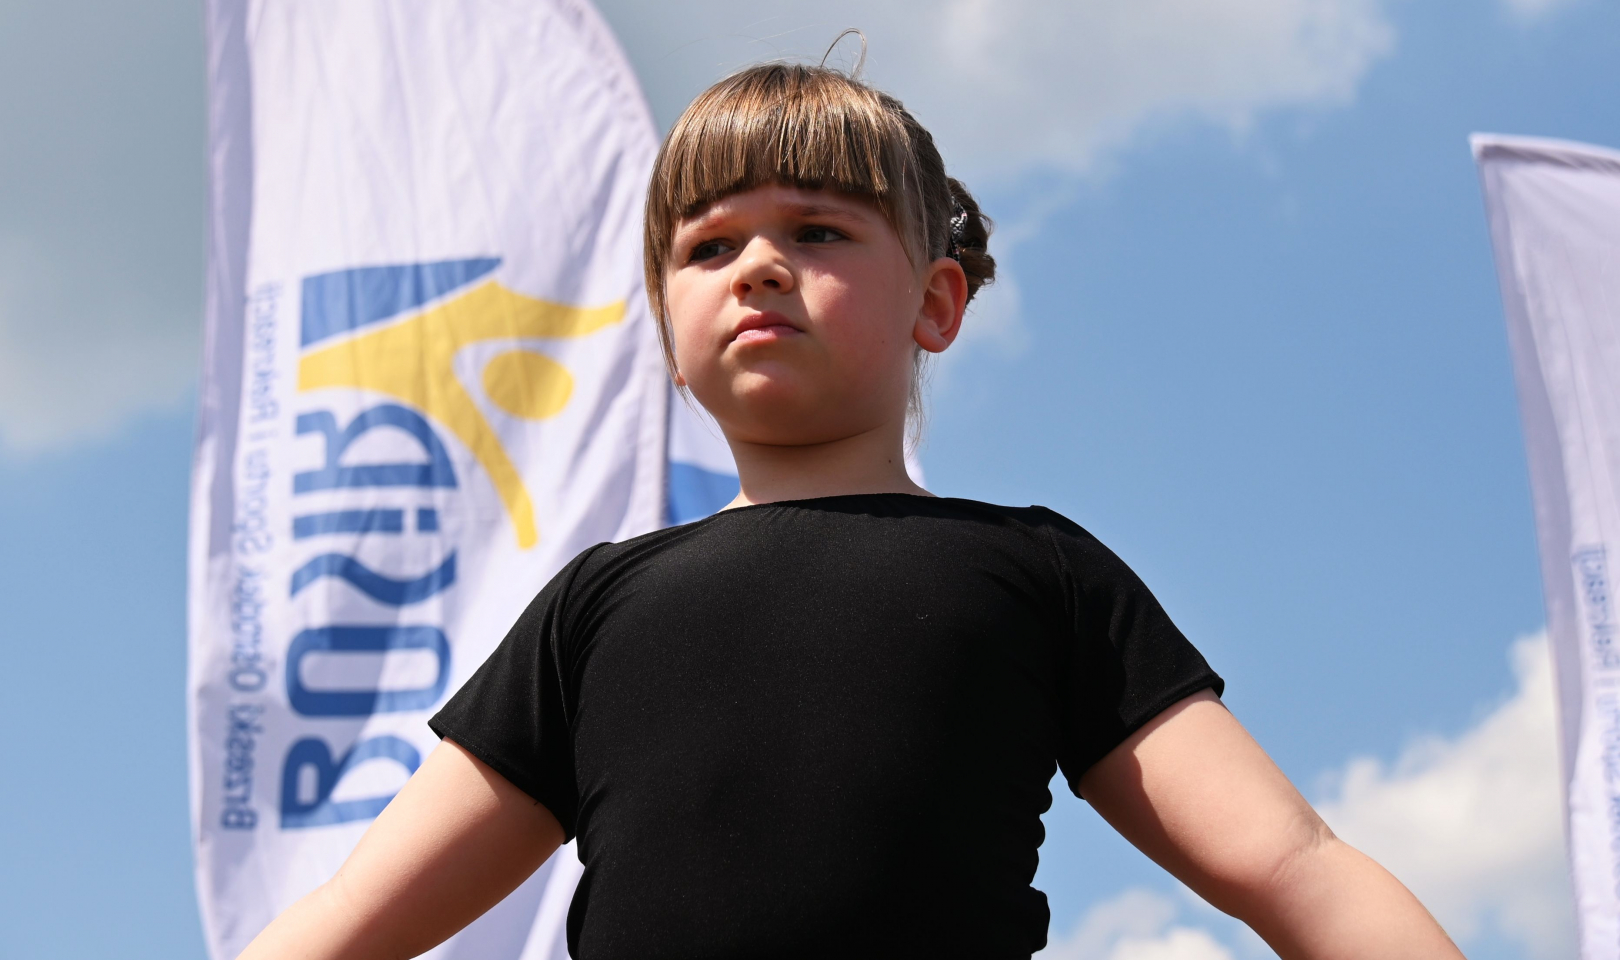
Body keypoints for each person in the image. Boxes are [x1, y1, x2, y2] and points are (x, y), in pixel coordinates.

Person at [239, 63, 1463, 960]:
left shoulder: (1041, 572)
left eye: (818, 230)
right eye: (708, 248)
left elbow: (1292, 865)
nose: (759, 267)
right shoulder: (591, 609)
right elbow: (353, 920)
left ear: (937, 303)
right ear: (667, 335)